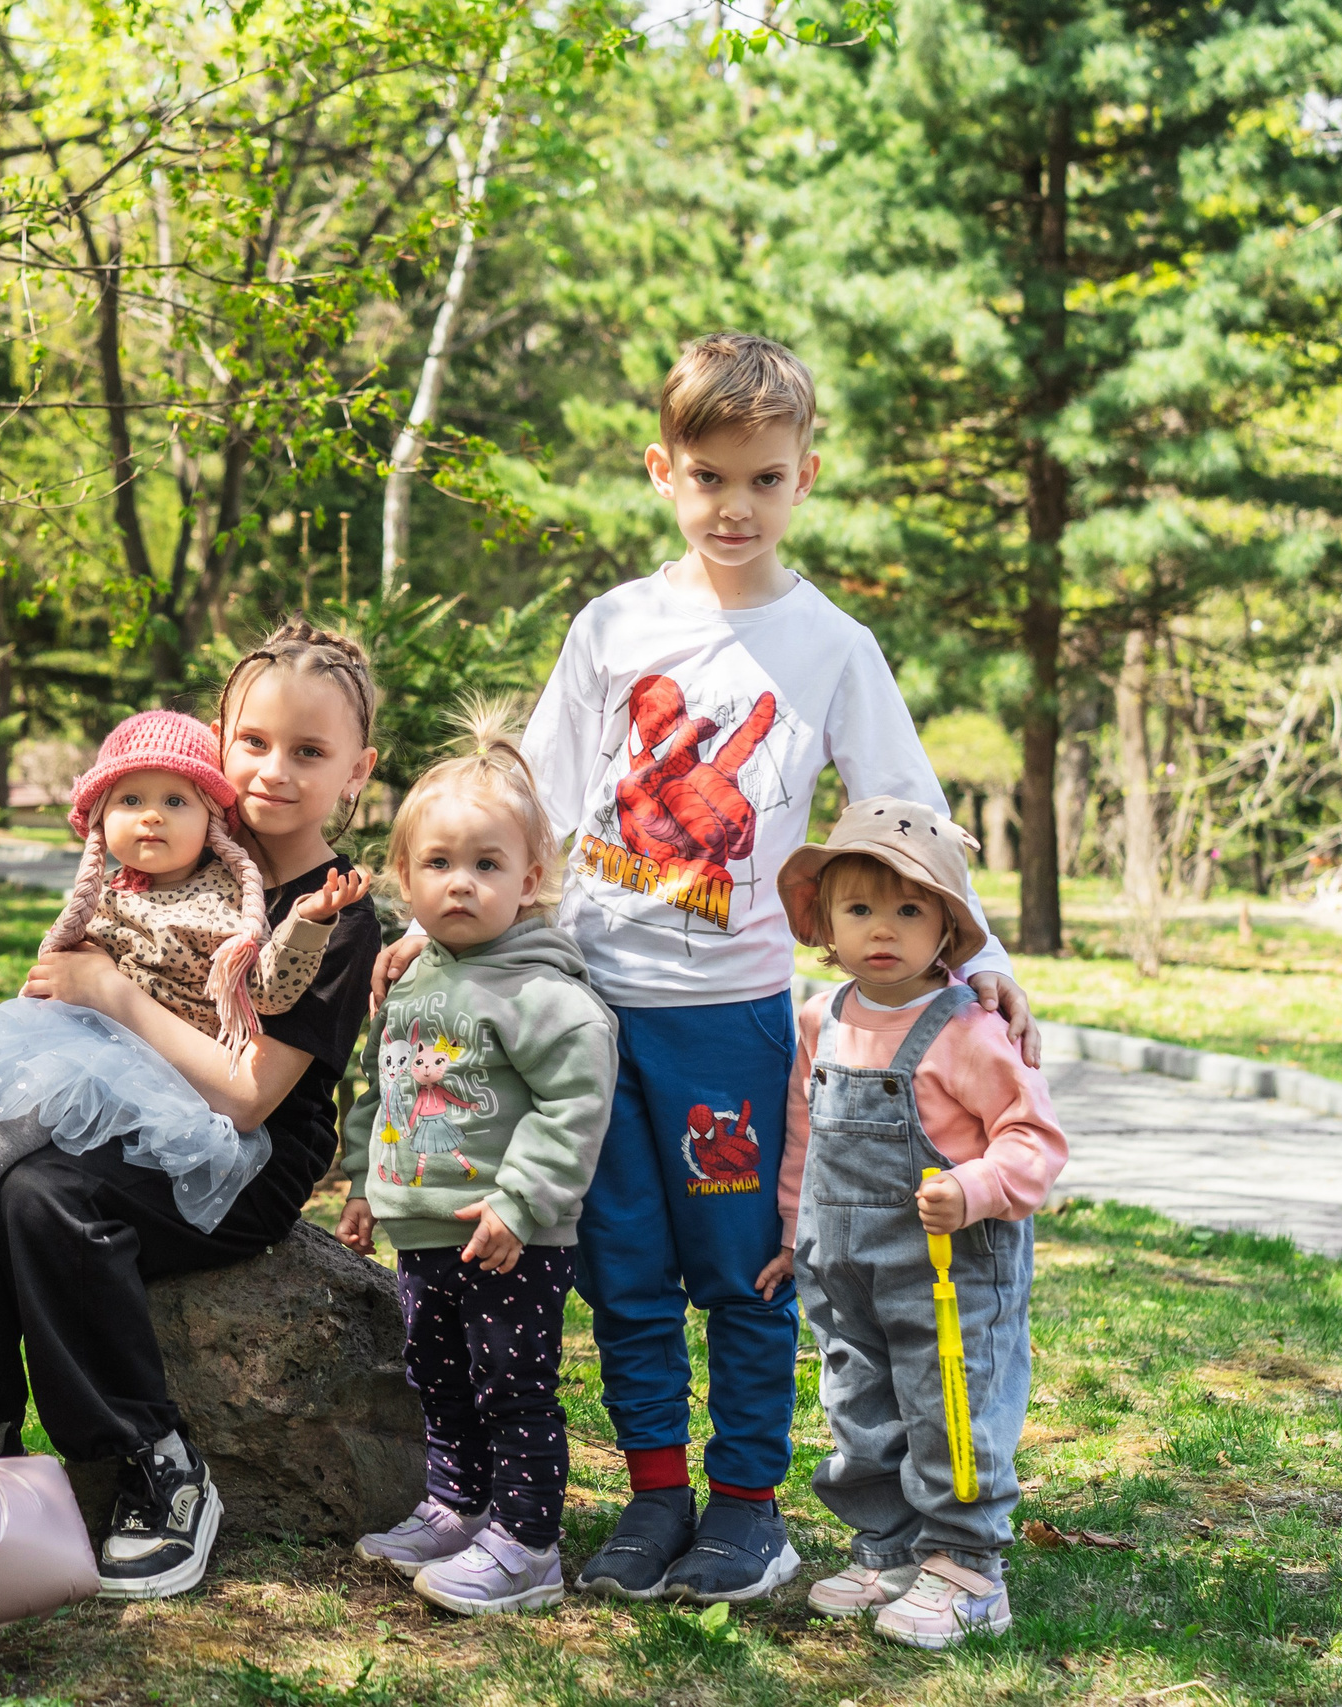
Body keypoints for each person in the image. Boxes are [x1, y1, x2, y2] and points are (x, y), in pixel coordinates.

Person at [373, 332, 1042, 1604]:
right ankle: (654, 1496)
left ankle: (746, 1509)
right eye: (709, 478)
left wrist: (985, 955)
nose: (735, 506)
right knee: (621, 1272)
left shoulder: (831, 646)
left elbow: (908, 807)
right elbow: (534, 796)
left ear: (804, 478)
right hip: (586, 1015)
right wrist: (436, 924)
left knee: (744, 1273)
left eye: (765, 479)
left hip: (729, 1025)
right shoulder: (615, 625)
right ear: (660, 470)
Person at [0, 617, 384, 1602]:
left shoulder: (331, 913)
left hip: (240, 1158)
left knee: (43, 1198)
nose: (274, 770)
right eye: (252, 741)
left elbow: (248, 1096)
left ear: (357, 771)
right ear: (217, 742)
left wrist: (109, 992)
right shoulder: (173, 855)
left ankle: (152, 1461)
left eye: (309, 752)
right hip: (118, 1110)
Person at [0, 709, 367, 1298]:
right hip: (99, 1045)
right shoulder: (113, 894)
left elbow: (262, 992)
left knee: (45, 1129)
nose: (152, 815)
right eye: (130, 800)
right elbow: (63, 970)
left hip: (167, 1079)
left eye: (175, 802)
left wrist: (307, 927)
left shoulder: (229, 905)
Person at [336, 706, 618, 1617]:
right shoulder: (413, 976)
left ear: (530, 880)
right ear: (404, 877)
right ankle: (459, 1505)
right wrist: (364, 1185)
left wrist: (520, 1203)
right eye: (439, 863)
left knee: (512, 1384)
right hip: (421, 1225)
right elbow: (387, 1086)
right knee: (438, 1372)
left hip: (509, 1237)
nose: (461, 883)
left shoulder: (539, 990)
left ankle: (528, 1541)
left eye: (487, 865)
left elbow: (574, 1103)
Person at [772, 799, 1066, 1647]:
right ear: (826, 922)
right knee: (859, 1400)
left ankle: (969, 1566)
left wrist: (974, 1186)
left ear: (947, 927)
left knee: (950, 1405)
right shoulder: (821, 1019)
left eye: (909, 909)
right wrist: (792, 1231)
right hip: (845, 1265)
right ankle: (893, 1546)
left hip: (950, 1271)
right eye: (860, 908)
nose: (883, 928)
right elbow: (804, 1134)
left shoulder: (969, 1029)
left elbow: (1035, 1139)